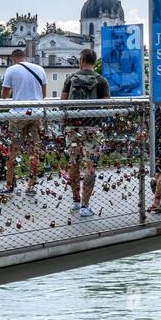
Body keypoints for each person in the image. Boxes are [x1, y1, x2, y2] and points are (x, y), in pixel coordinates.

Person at [61, 48, 110, 217]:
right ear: (94, 62)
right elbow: (106, 107)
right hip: (92, 127)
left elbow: (63, 102)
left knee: (73, 163)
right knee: (90, 166)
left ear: (81, 61)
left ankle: (75, 200)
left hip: (72, 127)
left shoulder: (70, 79)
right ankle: (85, 205)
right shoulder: (101, 81)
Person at [0, 47, 47, 195]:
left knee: (13, 149)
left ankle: (9, 185)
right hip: (37, 113)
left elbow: (4, 96)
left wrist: (18, 91)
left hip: (18, 114)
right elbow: (43, 94)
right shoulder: (40, 69)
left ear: (13, 58)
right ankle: (31, 186)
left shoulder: (11, 70)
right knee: (34, 150)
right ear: (25, 57)